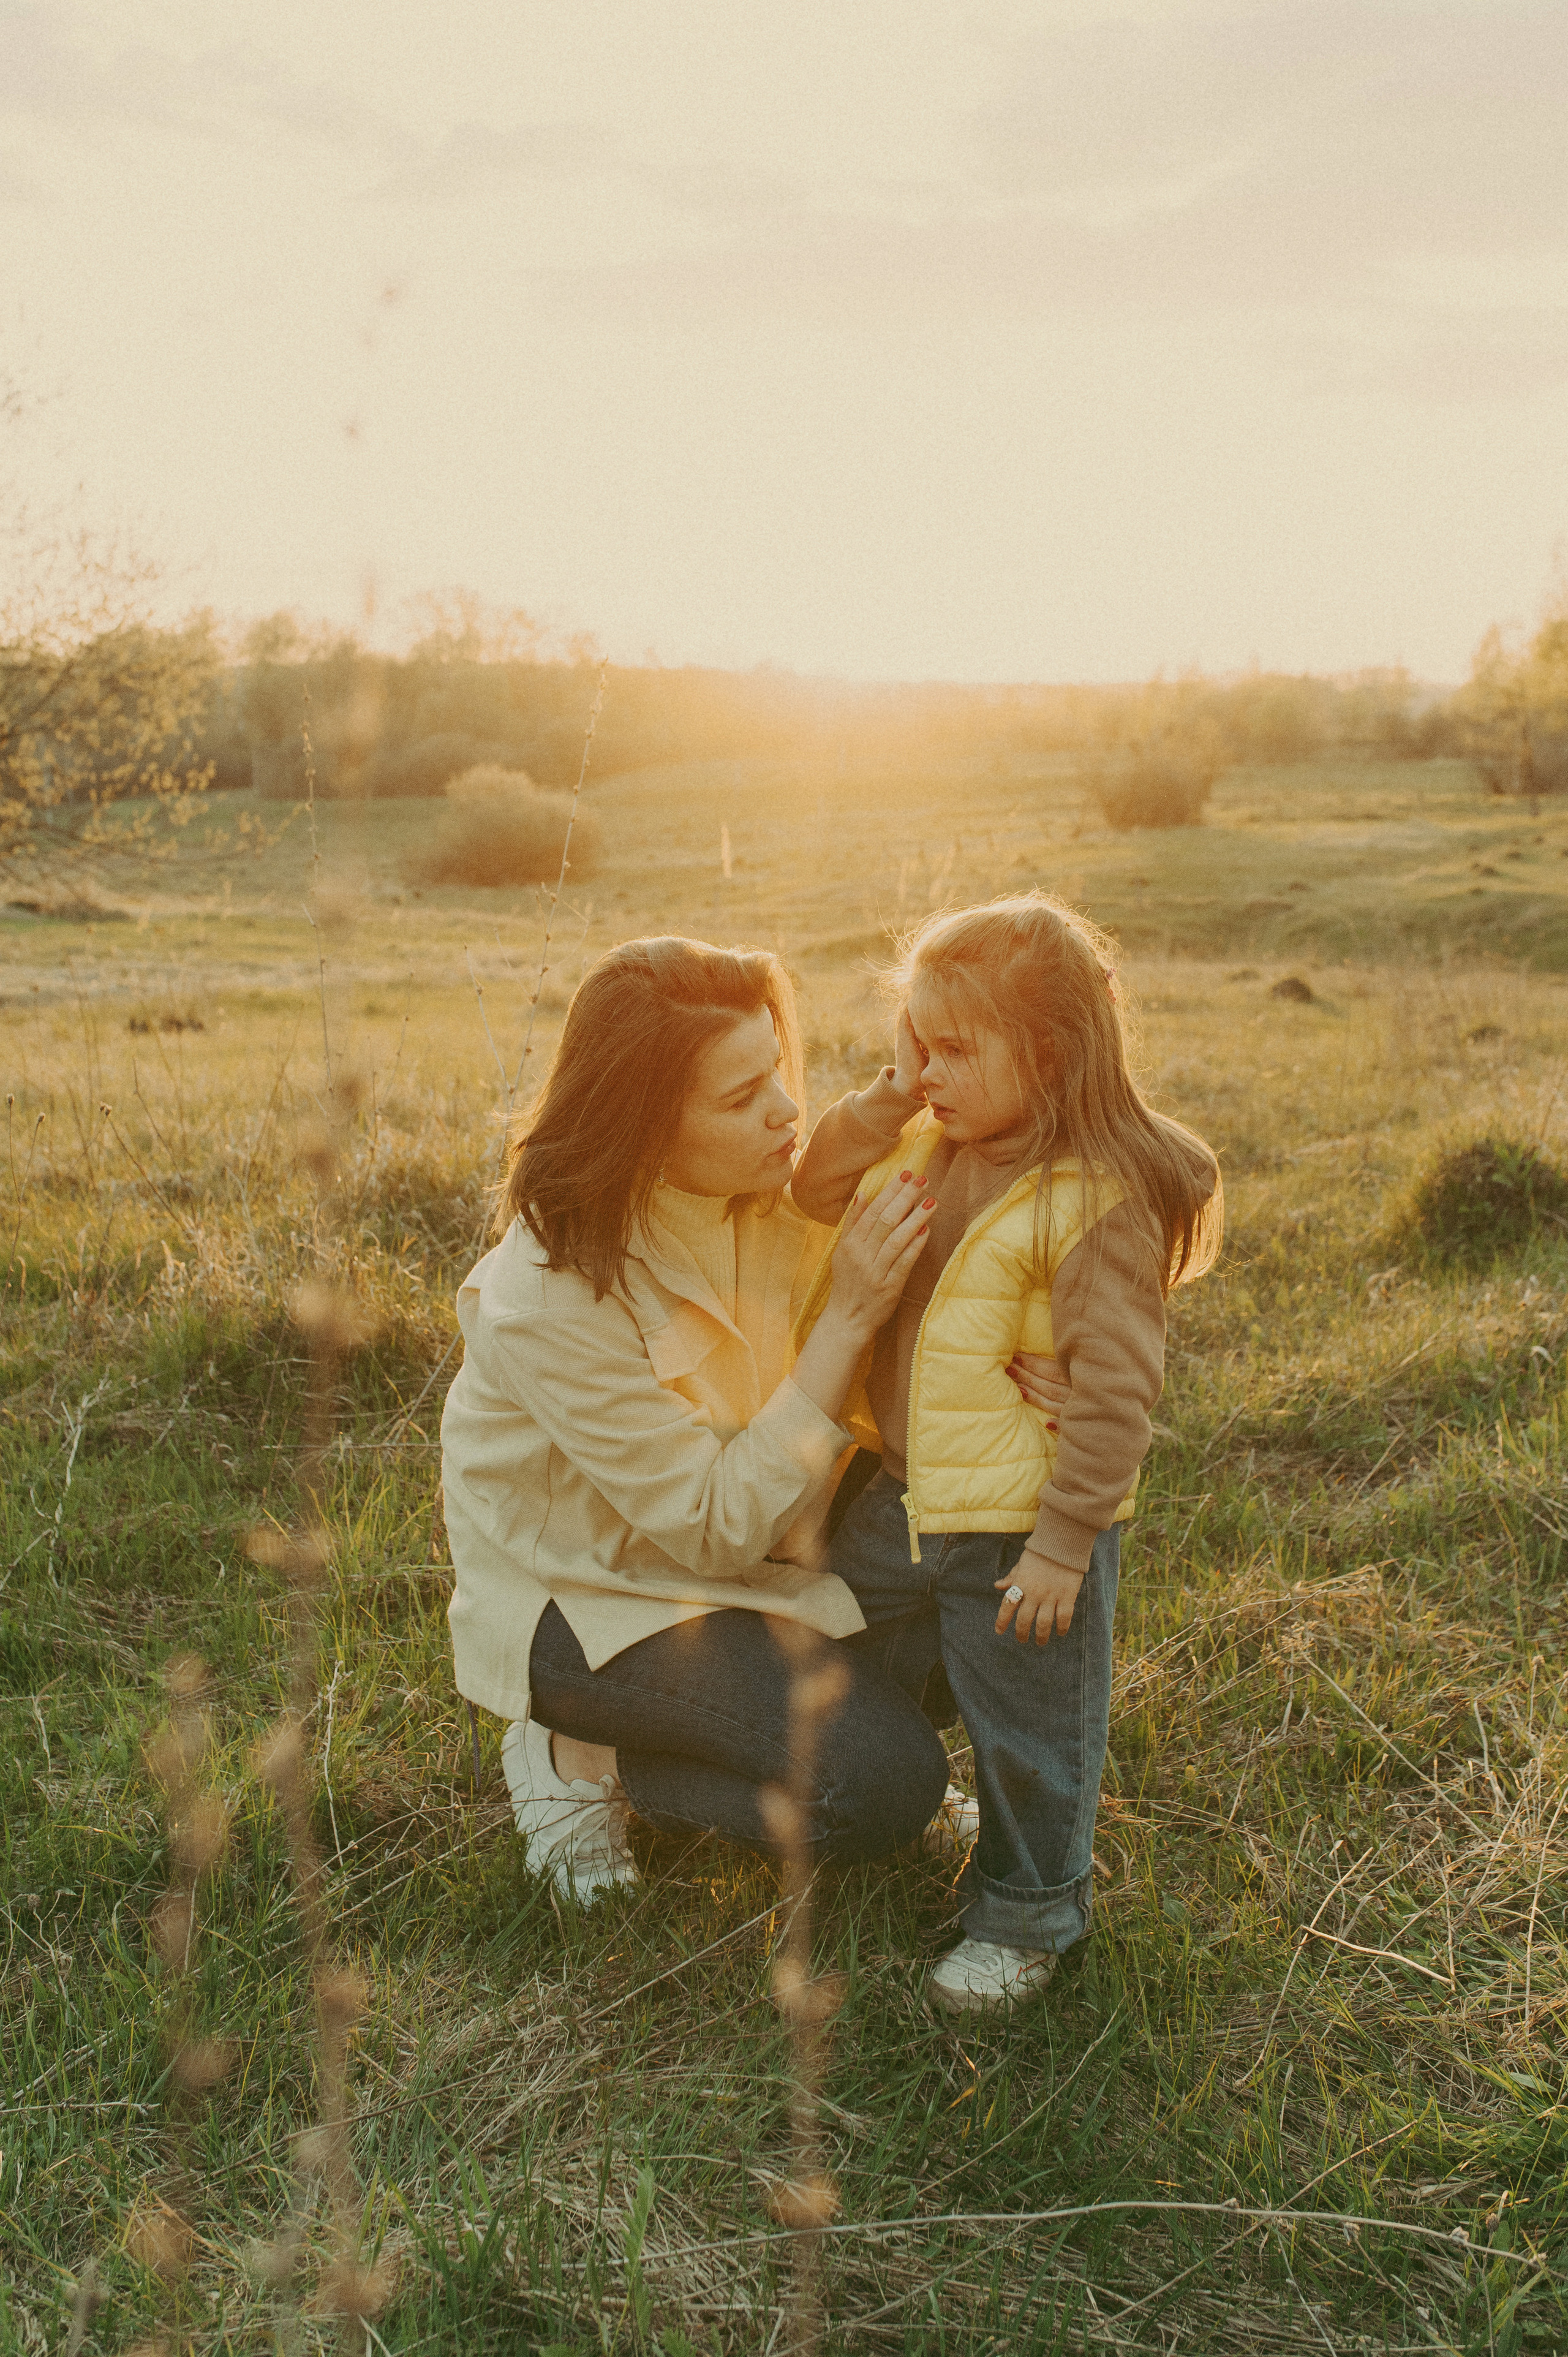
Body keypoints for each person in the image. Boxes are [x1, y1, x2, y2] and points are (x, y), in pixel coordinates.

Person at [440, 934, 951, 1901]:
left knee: (994, 1593)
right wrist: (845, 1318)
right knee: (881, 1790)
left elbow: (891, 1202)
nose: (786, 1110)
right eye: (739, 1096)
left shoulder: (756, 1188)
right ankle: (585, 1758)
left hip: (762, 1550)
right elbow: (712, 1528)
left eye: (777, 1070)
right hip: (596, 1603)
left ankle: (776, 1721)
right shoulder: (547, 1293)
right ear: (642, 1125)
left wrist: (1043, 1376)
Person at [791, 891, 1222, 2013]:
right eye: (916, 1046)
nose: (928, 1072)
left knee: (1033, 1718)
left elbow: (1117, 1394)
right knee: (848, 1644)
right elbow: (812, 1189)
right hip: (901, 1496)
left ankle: (1031, 1914)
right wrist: (889, 1096)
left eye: (954, 1050)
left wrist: (1065, 1543)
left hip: (1025, 1524)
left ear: (1052, 1053)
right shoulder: (934, 1143)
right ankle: (920, 1791)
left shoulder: (1097, 1199)